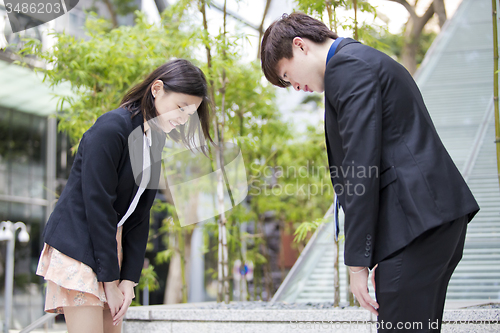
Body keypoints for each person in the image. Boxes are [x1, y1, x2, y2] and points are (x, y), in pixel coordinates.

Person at [260, 13, 480, 332]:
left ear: (300, 46)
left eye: (286, 74)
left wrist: (357, 263)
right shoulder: (363, 60)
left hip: (417, 226)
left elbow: (361, 165)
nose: (294, 86)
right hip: (424, 222)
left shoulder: (346, 67)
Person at [36, 59, 214, 332]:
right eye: (180, 108)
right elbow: (97, 206)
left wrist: (129, 280)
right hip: (78, 245)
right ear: (157, 88)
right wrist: (110, 281)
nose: (182, 119)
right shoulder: (111, 128)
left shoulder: (155, 139)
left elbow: (141, 216)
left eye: (189, 114)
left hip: (108, 249)